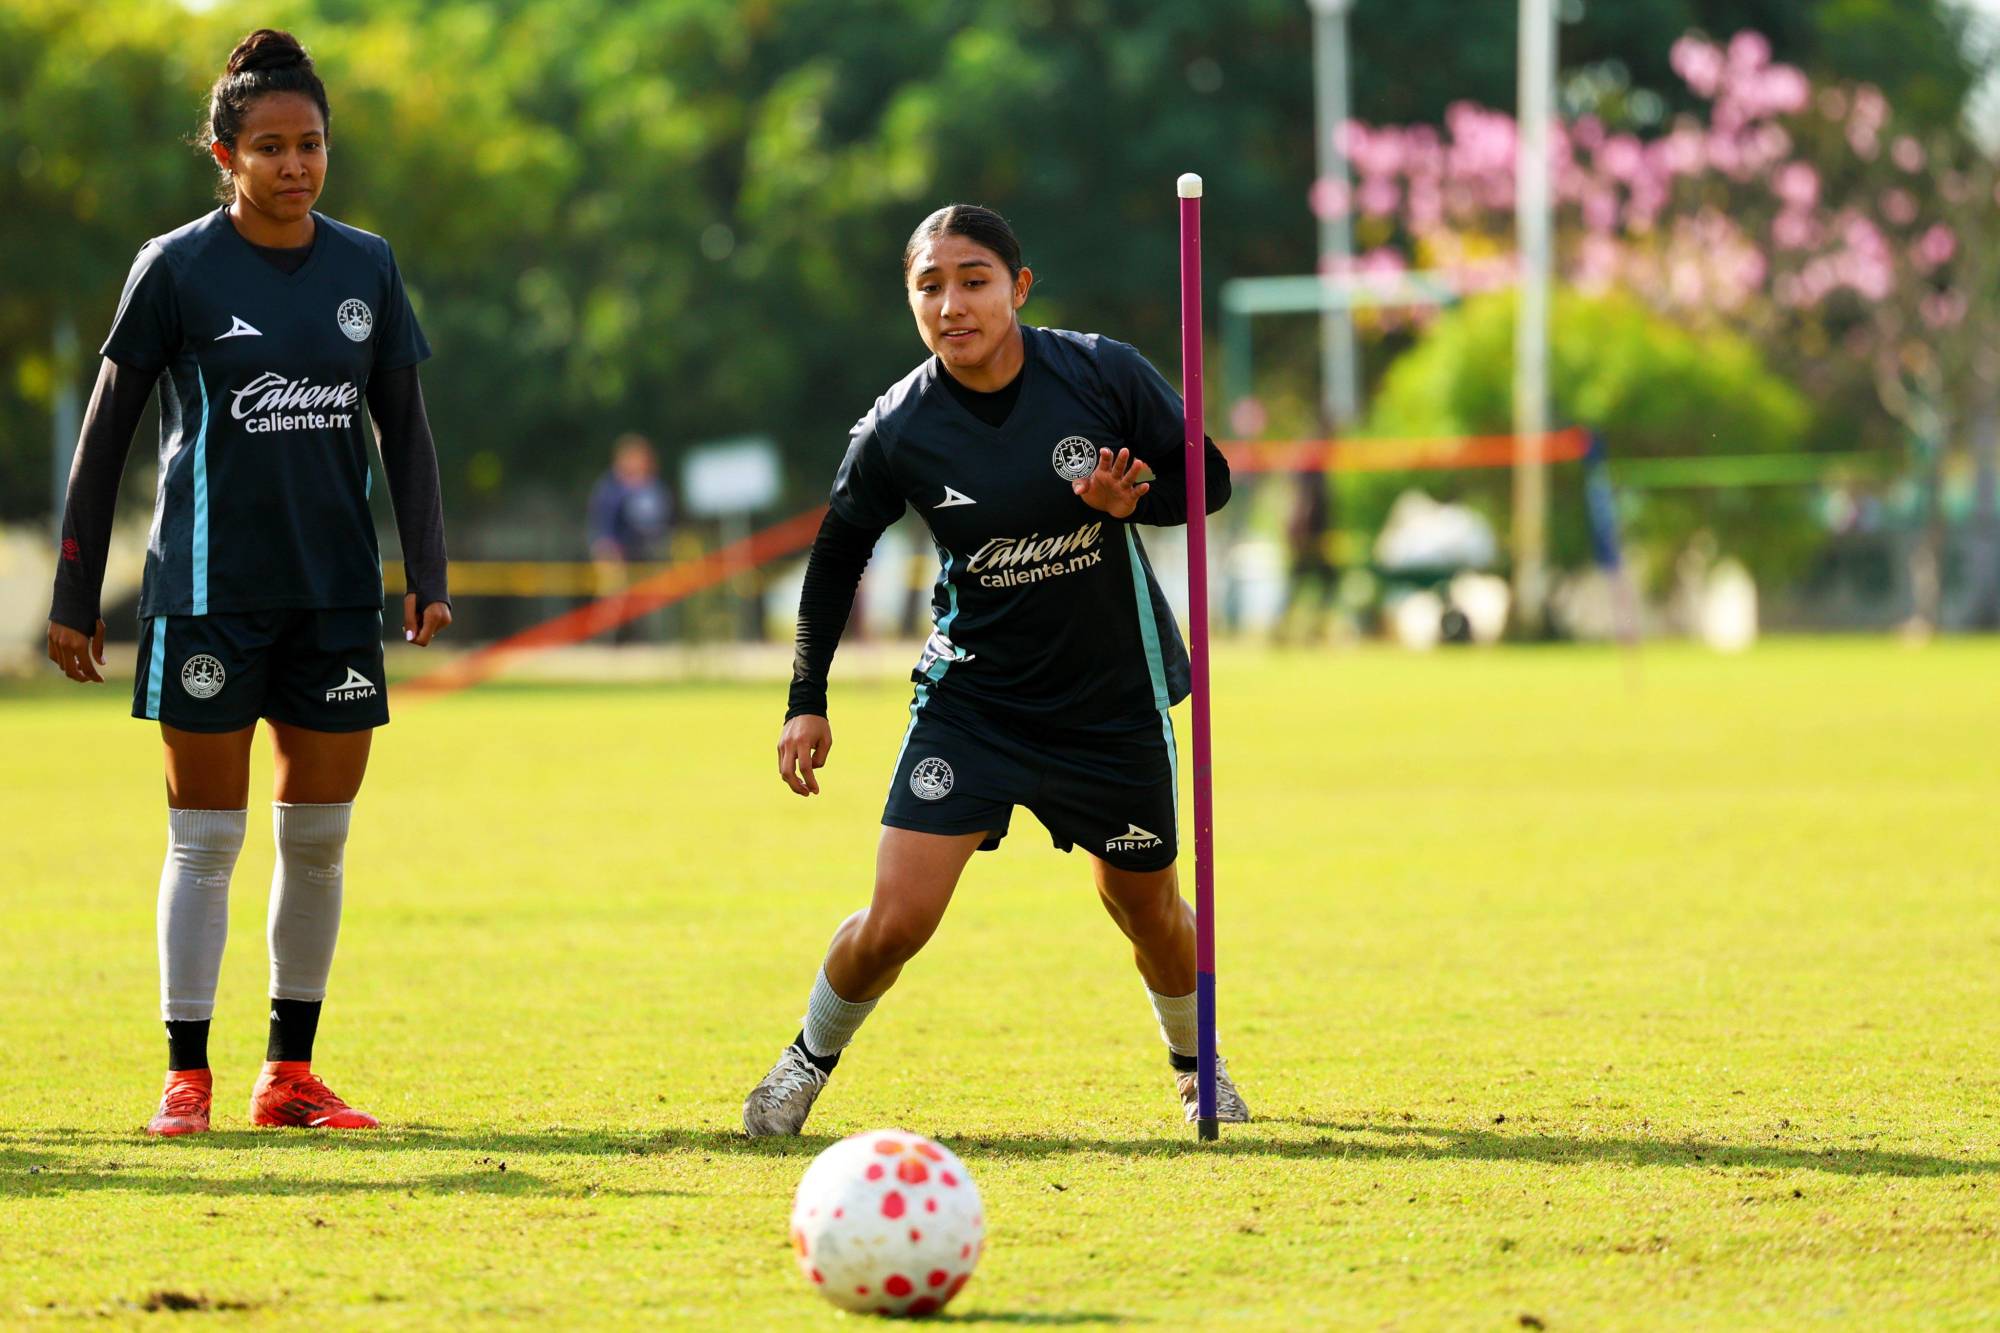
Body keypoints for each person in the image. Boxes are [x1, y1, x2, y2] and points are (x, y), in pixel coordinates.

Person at [744, 204, 1247, 1135]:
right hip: (975, 702)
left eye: (973, 280)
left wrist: (1128, 499)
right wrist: (804, 700)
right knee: (897, 919)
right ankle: (801, 1064)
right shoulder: (898, 426)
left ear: (1017, 289)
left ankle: (1195, 1063)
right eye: (928, 287)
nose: (951, 304)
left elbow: (1208, 481)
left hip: (1112, 701)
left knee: (1146, 909)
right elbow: (836, 556)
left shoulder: (1101, 373)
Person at [44, 29, 450, 1137]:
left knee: (318, 837)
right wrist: (76, 593)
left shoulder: (366, 264)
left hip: (334, 599)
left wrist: (426, 570)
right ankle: (187, 1076)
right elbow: (104, 438)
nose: (294, 165)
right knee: (205, 841)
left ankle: (290, 1075)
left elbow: (404, 429)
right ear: (224, 153)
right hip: (205, 594)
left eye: (310, 144)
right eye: (268, 146)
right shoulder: (173, 267)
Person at [586, 433, 673, 644]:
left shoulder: (653, 488)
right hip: (617, 553)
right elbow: (603, 525)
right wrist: (606, 552)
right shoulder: (611, 488)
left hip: (647, 553)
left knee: (650, 599)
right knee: (614, 600)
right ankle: (604, 643)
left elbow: (664, 521)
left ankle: (650, 642)